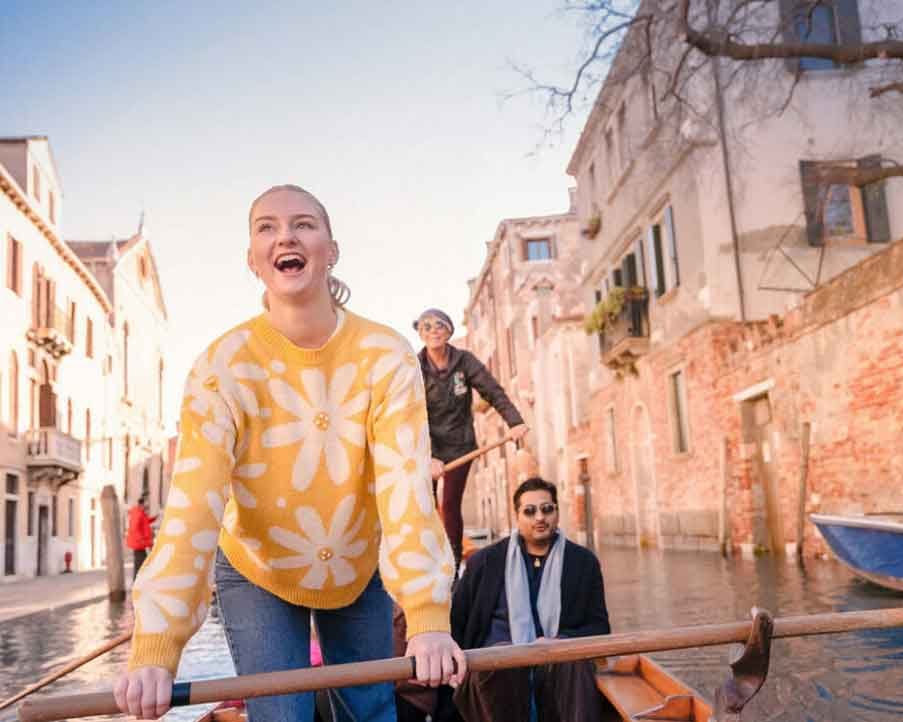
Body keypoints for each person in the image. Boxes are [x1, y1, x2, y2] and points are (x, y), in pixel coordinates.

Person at [112, 185, 466, 721]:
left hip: (356, 559)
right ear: (253, 260)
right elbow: (192, 508)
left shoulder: (386, 355)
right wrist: (156, 648)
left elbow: (404, 490)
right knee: (282, 716)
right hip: (256, 567)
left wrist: (428, 618)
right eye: (266, 227)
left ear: (331, 250)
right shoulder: (221, 366)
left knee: (370, 712)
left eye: (303, 224)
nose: (285, 236)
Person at [449, 478, 610, 722]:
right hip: (498, 672)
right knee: (502, 657)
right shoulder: (484, 562)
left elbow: (600, 627)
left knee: (573, 658)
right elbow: (457, 623)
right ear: (517, 516)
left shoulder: (583, 563)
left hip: (556, 665)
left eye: (547, 509)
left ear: (556, 511)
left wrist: (559, 642)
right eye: (529, 511)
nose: (539, 518)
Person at [414, 308, 527, 569]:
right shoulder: (415, 368)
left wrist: (515, 422)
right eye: (427, 327)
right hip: (427, 444)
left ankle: (453, 565)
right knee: (425, 505)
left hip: (460, 445)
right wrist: (428, 456)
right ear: (421, 334)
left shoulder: (464, 361)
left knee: (450, 504)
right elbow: (412, 414)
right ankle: (428, 563)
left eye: (439, 325)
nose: (433, 331)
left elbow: (493, 391)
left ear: (449, 331)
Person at [125, 493, 156, 580]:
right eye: (146, 504)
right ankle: (137, 582)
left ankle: (139, 581)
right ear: (142, 504)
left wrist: (153, 519)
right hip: (138, 544)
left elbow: (144, 522)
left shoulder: (141, 513)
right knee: (141, 564)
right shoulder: (137, 513)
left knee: (142, 563)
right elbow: (135, 528)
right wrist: (142, 540)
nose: (147, 506)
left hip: (141, 544)